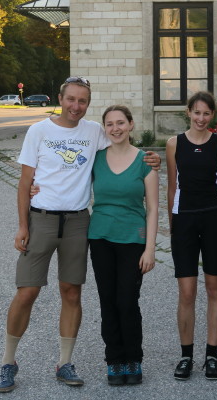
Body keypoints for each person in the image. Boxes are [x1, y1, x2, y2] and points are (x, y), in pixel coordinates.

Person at [0, 77, 160, 393]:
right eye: (71, 99)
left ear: (88, 104)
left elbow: (123, 147)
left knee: (71, 292)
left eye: (82, 101)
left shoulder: (93, 133)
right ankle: (8, 361)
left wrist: (151, 158)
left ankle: (65, 362)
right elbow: (24, 182)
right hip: (41, 219)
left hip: (77, 223)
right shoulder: (39, 131)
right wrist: (22, 225)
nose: (76, 106)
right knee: (27, 291)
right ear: (61, 98)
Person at [88, 105, 158, 386]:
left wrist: (150, 249)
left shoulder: (146, 161)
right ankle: (114, 361)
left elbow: (152, 208)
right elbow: (66, 181)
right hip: (100, 238)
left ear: (131, 125)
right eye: (109, 124)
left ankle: (133, 358)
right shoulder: (96, 159)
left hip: (133, 240)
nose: (115, 128)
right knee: (108, 302)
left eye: (120, 123)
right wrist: (36, 188)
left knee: (127, 301)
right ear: (104, 128)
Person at [166, 91, 217, 381]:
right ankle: (186, 356)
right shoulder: (173, 144)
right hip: (185, 220)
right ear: (188, 113)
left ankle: (212, 356)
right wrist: (172, 225)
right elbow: (171, 187)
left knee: (215, 288)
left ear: (212, 115)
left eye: (206, 113)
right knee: (187, 292)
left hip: (214, 217)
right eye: (197, 113)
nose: (201, 118)